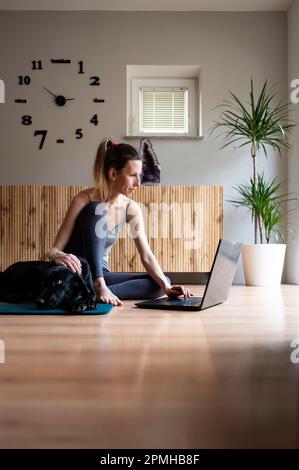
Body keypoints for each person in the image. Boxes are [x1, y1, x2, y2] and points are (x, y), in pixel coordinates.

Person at [47, 138, 193, 306]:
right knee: (97, 210)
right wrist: (60, 256)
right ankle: (96, 286)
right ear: (113, 174)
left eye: (140, 175)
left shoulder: (131, 208)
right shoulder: (83, 200)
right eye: (132, 176)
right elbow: (53, 250)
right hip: (75, 272)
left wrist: (167, 287)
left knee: (159, 282)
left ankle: (91, 293)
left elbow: (146, 255)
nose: (138, 183)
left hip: (102, 275)